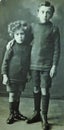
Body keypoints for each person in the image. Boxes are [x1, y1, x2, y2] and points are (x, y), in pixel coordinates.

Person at [26, 1, 60, 130]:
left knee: (44, 89)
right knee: (36, 88)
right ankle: (36, 113)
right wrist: (13, 40)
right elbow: (25, 41)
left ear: (51, 15)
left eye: (48, 12)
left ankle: (44, 116)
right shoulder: (33, 26)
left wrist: (54, 66)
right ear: (38, 13)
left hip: (47, 66)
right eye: (42, 12)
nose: (45, 14)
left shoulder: (54, 29)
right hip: (33, 64)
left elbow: (57, 49)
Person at [1, 20, 33, 124]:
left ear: (25, 34)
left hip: (22, 76)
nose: (20, 36)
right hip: (11, 76)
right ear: (13, 35)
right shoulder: (11, 47)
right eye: (17, 34)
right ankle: (11, 114)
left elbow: (28, 62)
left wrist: (28, 74)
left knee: (18, 94)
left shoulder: (28, 47)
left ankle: (17, 113)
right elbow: (5, 62)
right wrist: (5, 75)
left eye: (22, 34)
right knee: (12, 94)